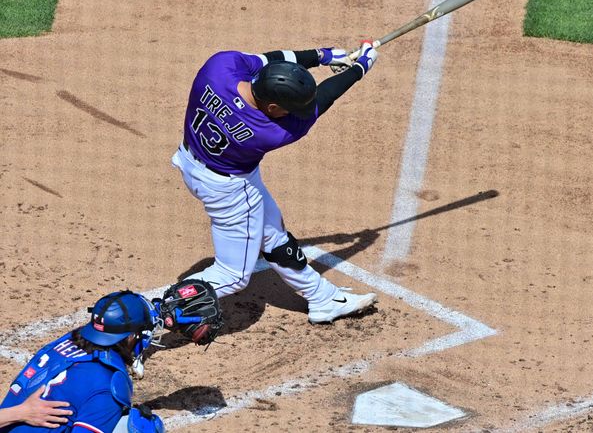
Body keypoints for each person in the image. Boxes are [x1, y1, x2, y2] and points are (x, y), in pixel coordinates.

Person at [171, 43, 380, 323]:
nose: (292, 114)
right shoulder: (269, 131)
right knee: (232, 276)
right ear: (271, 107)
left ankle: (323, 299)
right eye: (287, 109)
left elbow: (269, 60)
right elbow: (324, 98)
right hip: (229, 191)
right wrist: (359, 69)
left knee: (273, 235)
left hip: (190, 159)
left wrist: (321, 56)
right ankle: (147, 313)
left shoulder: (218, 68)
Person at [0, 291, 164, 433]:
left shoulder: (67, 342)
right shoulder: (109, 386)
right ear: (130, 337)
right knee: (141, 427)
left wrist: (19, 412)